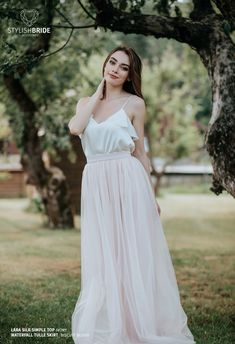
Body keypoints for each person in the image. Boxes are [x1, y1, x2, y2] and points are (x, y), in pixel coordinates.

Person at [68, 45, 195, 344]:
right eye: (112, 62)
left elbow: (140, 153)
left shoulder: (135, 104)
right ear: (105, 64)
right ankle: (113, 321)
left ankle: (141, 320)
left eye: (123, 67)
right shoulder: (85, 103)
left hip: (128, 179)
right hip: (97, 182)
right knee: (106, 253)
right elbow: (76, 128)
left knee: (132, 253)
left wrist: (151, 197)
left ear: (129, 75)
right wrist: (98, 92)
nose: (114, 69)